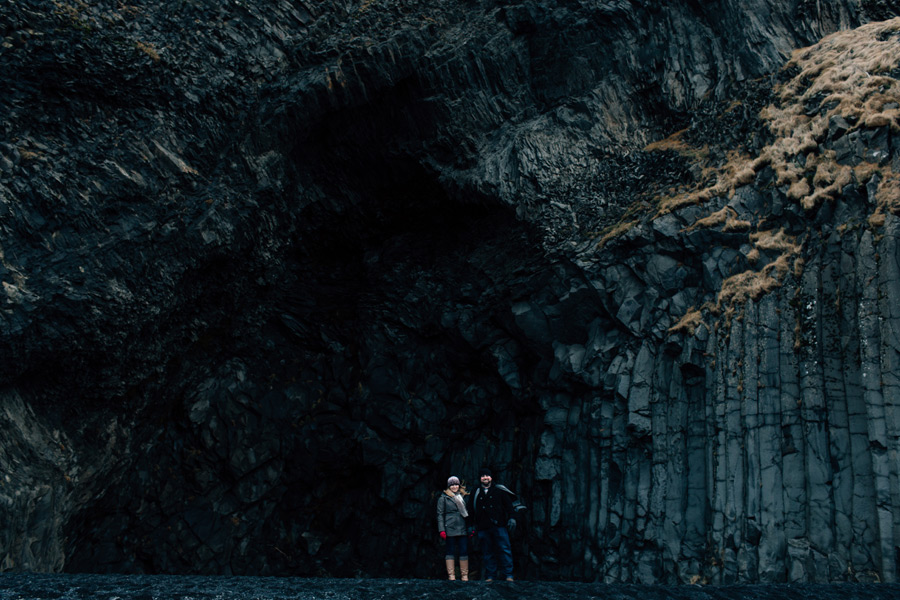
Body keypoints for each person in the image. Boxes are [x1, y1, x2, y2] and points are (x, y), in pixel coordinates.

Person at [469, 467, 516, 581]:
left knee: (504, 549)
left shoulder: (499, 490)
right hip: (483, 526)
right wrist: (470, 525)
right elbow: (470, 509)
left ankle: (508, 575)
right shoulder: (476, 491)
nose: (485, 478)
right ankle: (490, 575)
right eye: (483, 476)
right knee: (487, 551)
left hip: (499, 525)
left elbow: (509, 506)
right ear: (480, 478)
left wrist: (512, 518)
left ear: (491, 477)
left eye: (487, 476)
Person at [436, 475, 471, 581]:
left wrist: (471, 527)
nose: (454, 486)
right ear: (449, 486)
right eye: (452, 485)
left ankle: (464, 575)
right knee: (450, 551)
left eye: (456, 484)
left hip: (463, 527)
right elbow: (440, 514)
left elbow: (470, 513)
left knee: (463, 551)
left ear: (459, 485)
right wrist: (441, 529)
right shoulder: (443, 498)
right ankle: (451, 575)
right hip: (449, 527)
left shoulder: (465, 496)